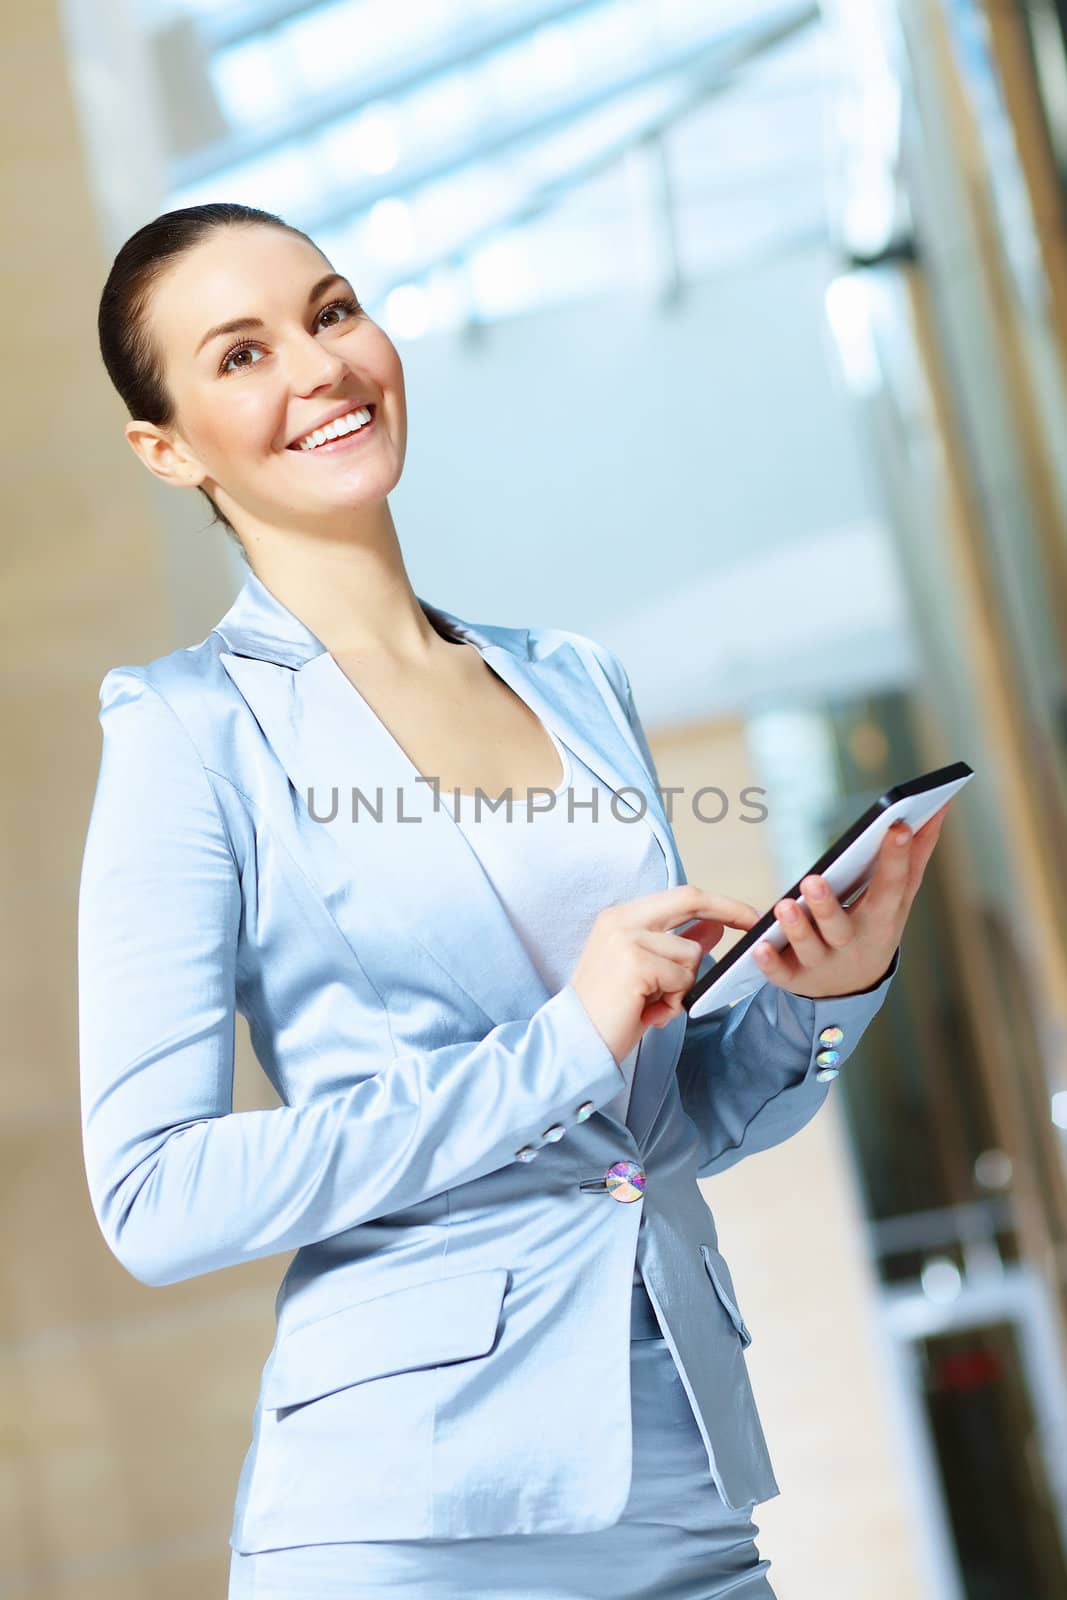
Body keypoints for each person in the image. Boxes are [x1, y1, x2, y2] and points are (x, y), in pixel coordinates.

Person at [79, 202, 944, 1599]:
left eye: (332, 309)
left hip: (684, 1480)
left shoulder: (574, 681)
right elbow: (154, 1196)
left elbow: (655, 1130)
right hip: (408, 1515)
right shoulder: (189, 732)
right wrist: (562, 1042)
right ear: (165, 447)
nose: (320, 368)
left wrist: (823, 997)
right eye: (240, 356)